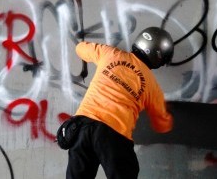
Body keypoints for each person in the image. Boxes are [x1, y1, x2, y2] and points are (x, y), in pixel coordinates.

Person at [66, 27, 174, 179]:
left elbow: (80, 48)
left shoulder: (110, 53)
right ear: (157, 55)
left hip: (82, 126)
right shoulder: (151, 85)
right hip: (113, 134)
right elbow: (162, 124)